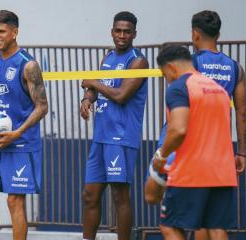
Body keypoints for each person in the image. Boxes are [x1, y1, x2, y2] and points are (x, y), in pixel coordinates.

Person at [144, 10, 246, 207]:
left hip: (183, 144)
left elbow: (179, 102)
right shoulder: (235, 68)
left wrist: (163, 152)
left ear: (195, 34)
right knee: (207, 218)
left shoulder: (188, 64)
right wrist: (241, 152)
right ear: (218, 35)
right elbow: (241, 112)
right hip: (216, 148)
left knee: (160, 202)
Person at [0, 10, 48, 240]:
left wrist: (17, 133)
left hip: (21, 143)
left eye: (1, 31)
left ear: (15, 32)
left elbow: (42, 106)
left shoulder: (28, 65)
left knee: (14, 201)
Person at [154, 44, 238, 240]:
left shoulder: (179, 87)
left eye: (164, 73)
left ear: (171, 67)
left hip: (191, 171)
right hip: (222, 172)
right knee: (216, 228)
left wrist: (161, 154)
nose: (166, 79)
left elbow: (178, 130)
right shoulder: (217, 89)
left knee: (170, 226)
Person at [80, 11, 149, 240]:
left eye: (127, 32)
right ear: (112, 32)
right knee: (89, 195)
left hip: (121, 138)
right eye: (118, 31)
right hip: (100, 136)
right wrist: (87, 99)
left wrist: (93, 83)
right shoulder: (107, 57)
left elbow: (121, 95)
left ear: (134, 34)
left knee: (120, 196)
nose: (122, 35)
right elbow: (96, 87)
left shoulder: (138, 61)